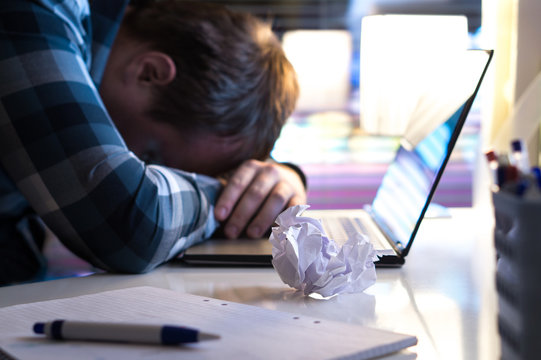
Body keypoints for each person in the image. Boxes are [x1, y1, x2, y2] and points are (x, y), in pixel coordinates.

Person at [0, 0, 305, 285]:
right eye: (150, 157)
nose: (153, 181)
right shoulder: (39, 11)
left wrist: (272, 184)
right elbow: (126, 221)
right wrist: (229, 197)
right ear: (149, 73)